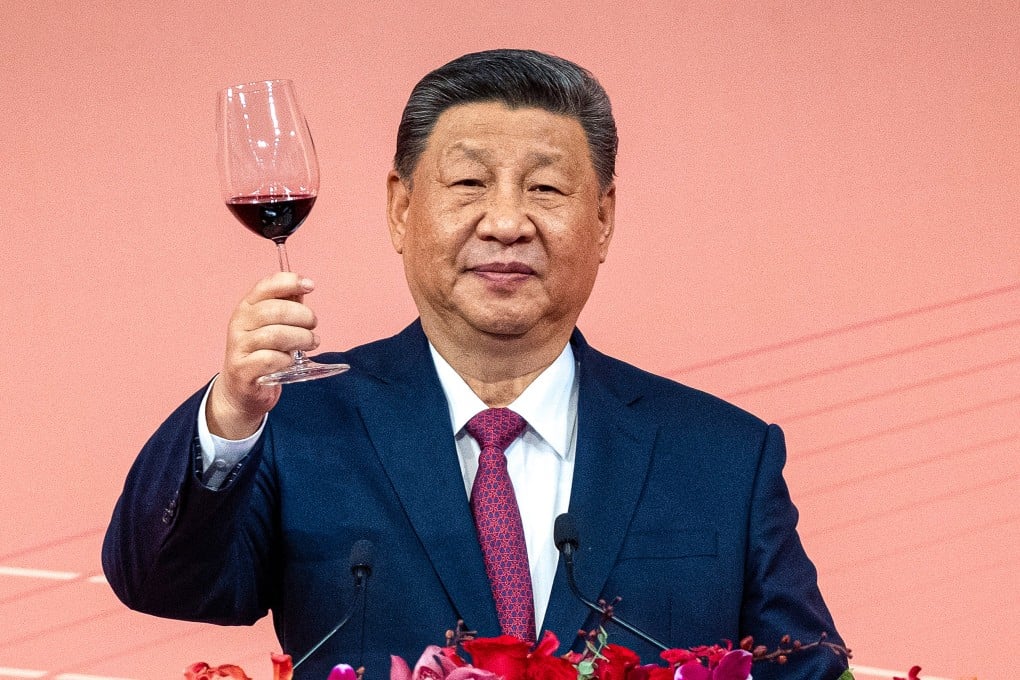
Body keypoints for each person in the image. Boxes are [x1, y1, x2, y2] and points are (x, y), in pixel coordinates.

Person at [103, 49, 849, 680]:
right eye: (468, 184)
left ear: (604, 218)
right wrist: (230, 415)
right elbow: (164, 581)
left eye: (547, 188)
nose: (504, 221)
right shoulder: (300, 425)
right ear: (400, 209)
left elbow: (813, 669)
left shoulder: (724, 455)